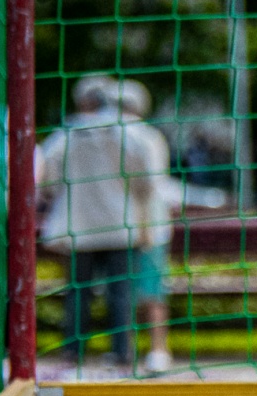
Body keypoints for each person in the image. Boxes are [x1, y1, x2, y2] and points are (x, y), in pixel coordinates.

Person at [37, 74, 169, 370]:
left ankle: (73, 352)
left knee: (78, 291)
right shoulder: (127, 133)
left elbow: (48, 175)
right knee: (119, 292)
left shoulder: (67, 134)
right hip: (119, 223)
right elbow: (146, 178)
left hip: (79, 225)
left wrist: (61, 194)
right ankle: (121, 352)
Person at [115, 80, 177, 374]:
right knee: (147, 290)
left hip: (138, 224)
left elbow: (150, 183)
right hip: (144, 224)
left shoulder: (133, 136)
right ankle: (151, 350)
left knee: (137, 290)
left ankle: (149, 350)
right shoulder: (150, 136)